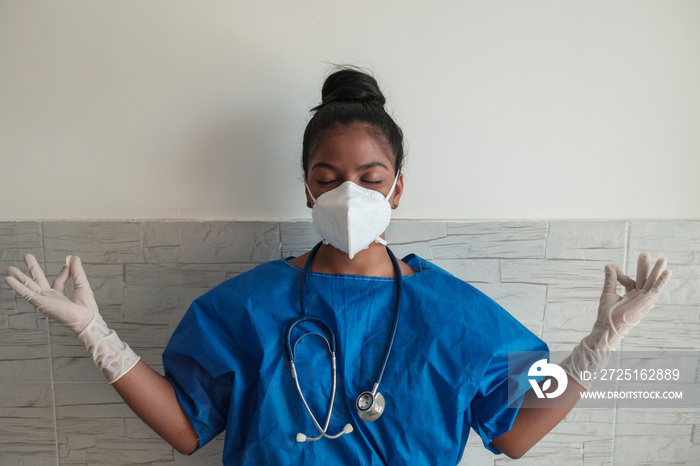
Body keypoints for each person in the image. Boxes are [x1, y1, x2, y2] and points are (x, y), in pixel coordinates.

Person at [4, 67, 672, 465]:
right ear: (306, 188)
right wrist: (96, 333)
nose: (348, 194)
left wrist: (597, 349)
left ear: (397, 190)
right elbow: (185, 428)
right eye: (328, 177)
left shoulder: (458, 315)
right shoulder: (245, 307)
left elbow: (519, 432)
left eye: (369, 177)